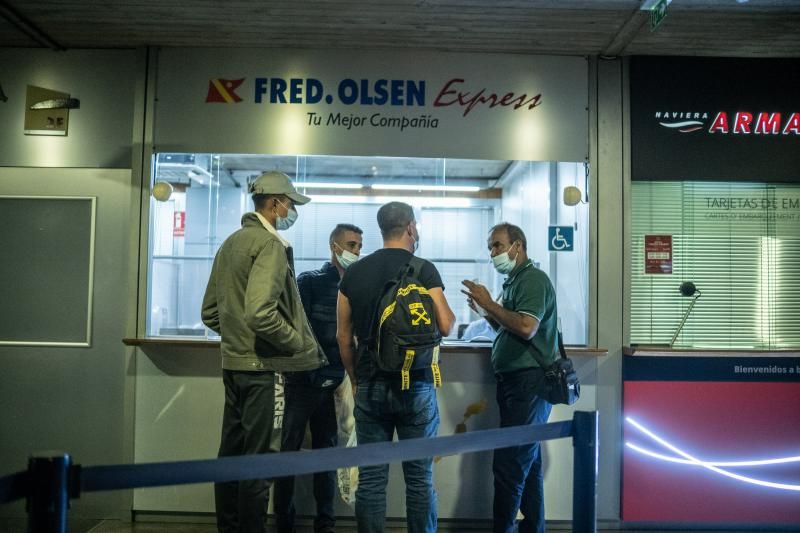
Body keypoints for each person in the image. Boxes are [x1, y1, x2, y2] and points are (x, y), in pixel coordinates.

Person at [201, 170, 328, 533]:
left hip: (235, 366)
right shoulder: (270, 245)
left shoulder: (231, 243)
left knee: (231, 459)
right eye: (290, 203)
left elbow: (210, 312)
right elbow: (261, 313)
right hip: (264, 370)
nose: (291, 210)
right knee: (259, 463)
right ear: (274, 203)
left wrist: (240, 339)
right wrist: (298, 344)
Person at [336, 201, 455, 533]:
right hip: (416, 385)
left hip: (371, 386)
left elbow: (343, 337)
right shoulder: (423, 268)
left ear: (381, 229)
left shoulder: (354, 273)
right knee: (419, 478)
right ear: (411, 228)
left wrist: (355, 379)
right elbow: (446, 325)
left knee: (372, 479)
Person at [460, 223, 558, 533]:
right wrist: (487, 312)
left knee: (510, 466)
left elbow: (528, 327)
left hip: (529, 384)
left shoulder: (532, 280)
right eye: (490, 247)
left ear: (518, 245)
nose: (493, 253)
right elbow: (512, 329)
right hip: (517, 384)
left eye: (498, 246)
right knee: (527, 466)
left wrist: (489, 303)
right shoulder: (514, 281)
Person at [274, 223, 364, 533]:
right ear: (334, 247)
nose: (357, 251)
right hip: (303, 381)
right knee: (288, 452)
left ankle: (325, 524)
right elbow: (296, 328)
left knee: (327, 456)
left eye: (359, 246)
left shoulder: (357, 286)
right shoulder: (310, 282)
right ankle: (283, 523)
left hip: (335, 383)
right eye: (352, 245)